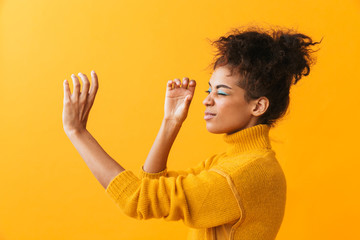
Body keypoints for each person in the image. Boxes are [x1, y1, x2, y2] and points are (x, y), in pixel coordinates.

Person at [62, 26, 321, 240]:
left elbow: (138, 200)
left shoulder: (242, 174)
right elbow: (151, 186)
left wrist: (77, 132)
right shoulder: (230, 164)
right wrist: (170, 122)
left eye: (221, 92)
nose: (207, 100)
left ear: (258, 105)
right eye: (209, 90)